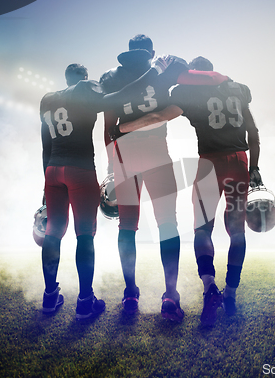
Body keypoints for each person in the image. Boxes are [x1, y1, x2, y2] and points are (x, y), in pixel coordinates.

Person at [111, 56, 263, 326]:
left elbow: (158, 116)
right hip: (239, 161)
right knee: (236, 231)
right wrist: (254, 167)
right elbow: (253, 132)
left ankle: (209, 287)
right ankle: (230, 293)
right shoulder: (238, 89)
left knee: (202, 230)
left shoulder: (189, 93)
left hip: (209, 164)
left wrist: (124, 127)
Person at [100, 35, 228, 321]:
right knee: (167, 224)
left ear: (128, 53)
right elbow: (195, 83)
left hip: (125, 159)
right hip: (157, 154)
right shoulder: (164, 71)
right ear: (152, 53)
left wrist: (110, 167)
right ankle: (170, 295)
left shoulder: (111, 77)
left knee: (127, 227)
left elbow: (109, 127)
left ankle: (131, 293)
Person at [40, 63, 106, 320]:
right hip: (80, 170)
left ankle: (49, 296)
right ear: (85, 80)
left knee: (52, 232)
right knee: (85, 235)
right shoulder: (85, 92)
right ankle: (85, 301)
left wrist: (46, 180)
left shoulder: (47, 99)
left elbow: (46, 143)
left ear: (66, 78)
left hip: (53, 170)